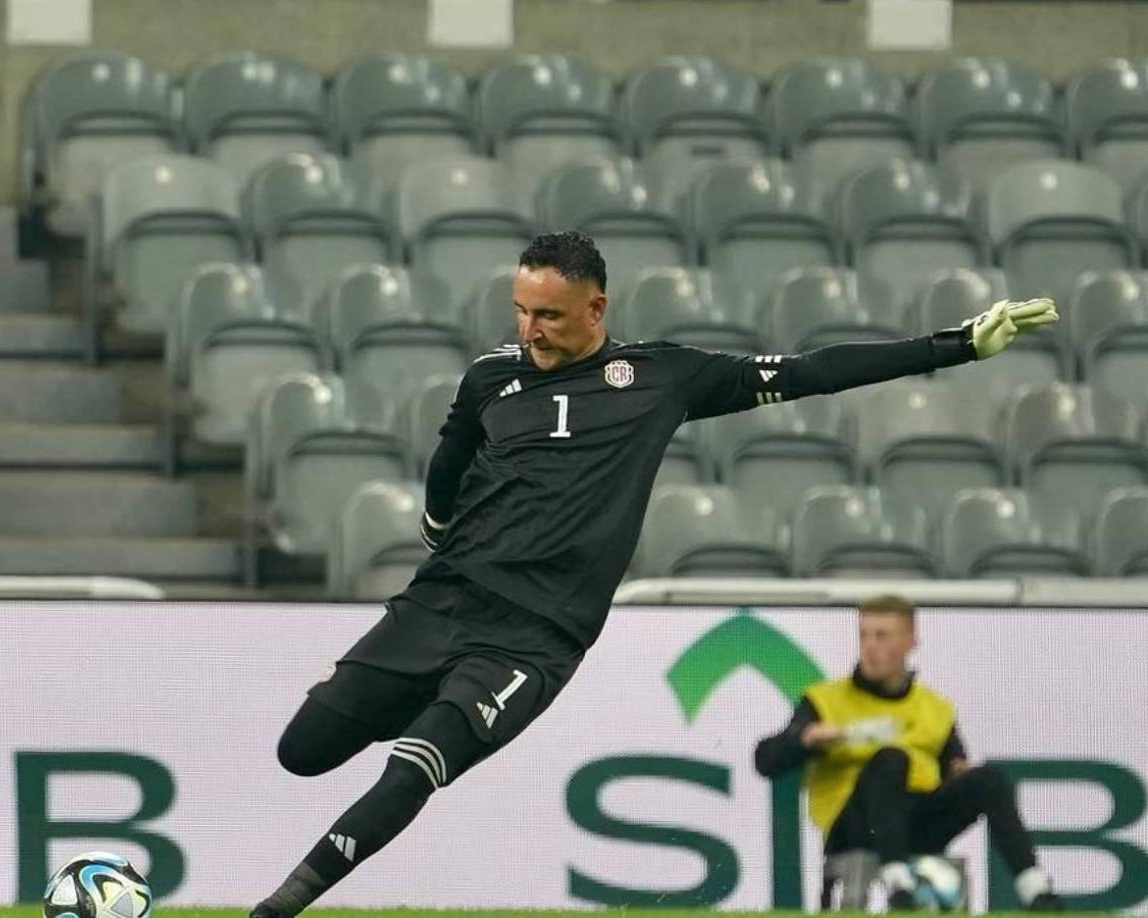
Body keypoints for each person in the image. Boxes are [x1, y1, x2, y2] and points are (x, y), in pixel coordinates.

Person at [251, 231, 1059, 917]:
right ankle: (437, 697)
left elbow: (811, 370)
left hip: (533, 637)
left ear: (597, 309)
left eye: (550, 315)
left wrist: (953, 346)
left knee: (418, 764)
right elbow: (449, 458)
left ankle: (276, 906)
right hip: (441, 600)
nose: (530, 329)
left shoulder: (663, 379)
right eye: (522, 311)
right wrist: (435, 525)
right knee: (303, 750)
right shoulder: (491, 378)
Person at [754, 594, 1063, 911]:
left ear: (910, 641)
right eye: (864, 635)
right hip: (854, 827)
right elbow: (764, 761)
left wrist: (960, 773)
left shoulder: (934, 708)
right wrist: (805, 739)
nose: (870, 646)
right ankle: (898, 881)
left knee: (990, 779)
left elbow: (952, 765)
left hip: (916, 822)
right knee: (892, 760)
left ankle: (1034, 888)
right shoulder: (825, 701)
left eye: (882, 636)